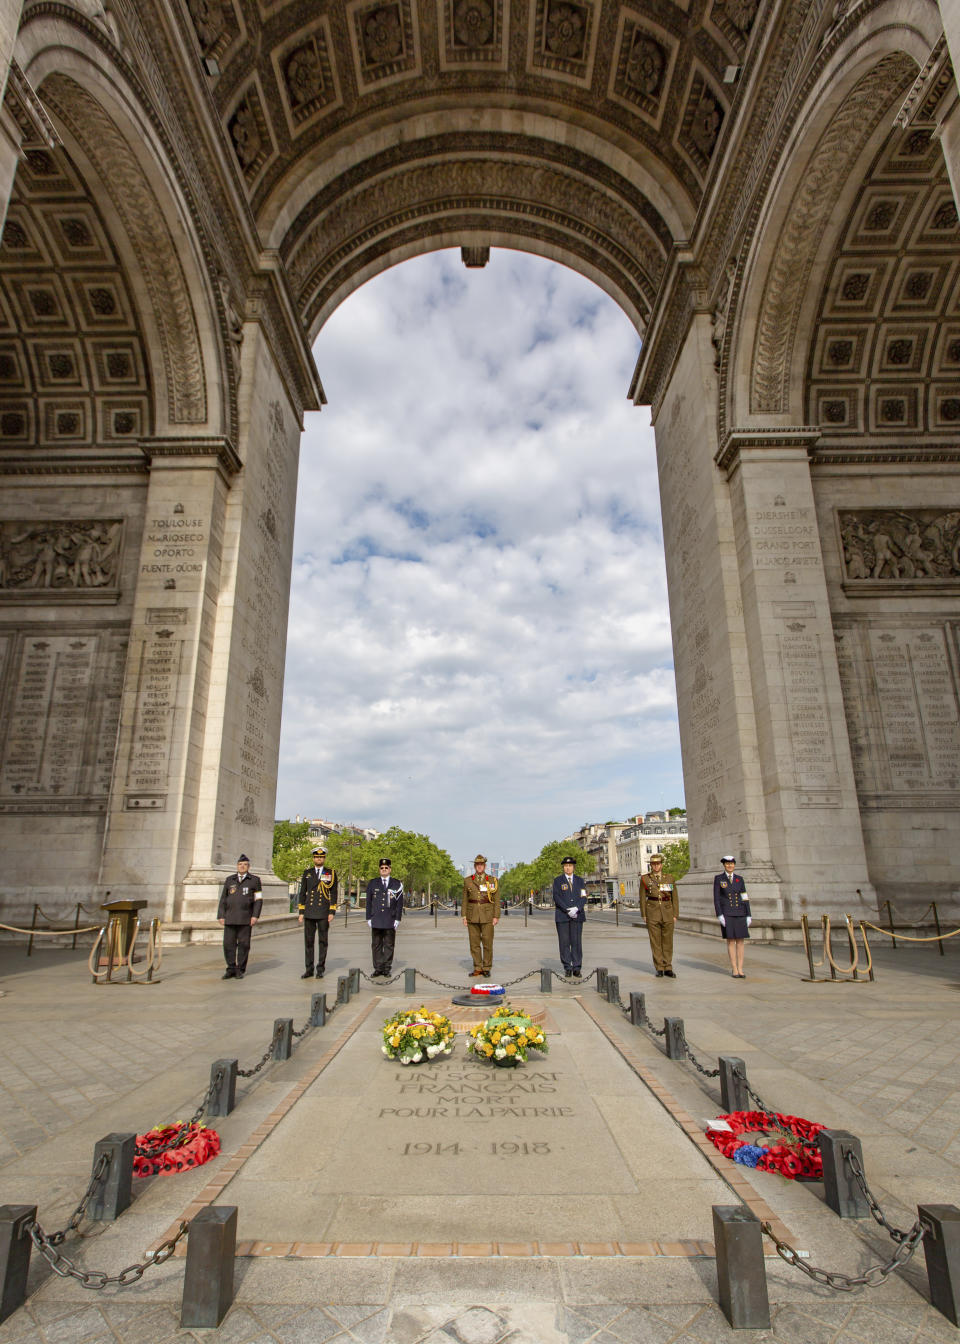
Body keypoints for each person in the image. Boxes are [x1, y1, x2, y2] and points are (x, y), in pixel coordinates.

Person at [217, 853, 262, 979]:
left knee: (244, 945)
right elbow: (223, 899)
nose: (242, 867)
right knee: (228, 944)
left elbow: (258, 899)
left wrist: (255, 916)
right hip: (230, 917)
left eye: (245, 865)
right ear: (237, 866)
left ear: (249, 867)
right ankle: (230, 968)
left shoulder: (254, 880)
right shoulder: (229, 880)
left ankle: (240, 969)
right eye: (240, 864)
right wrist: (221, 915)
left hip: (245, 918)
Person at [298, 846, 338, 979]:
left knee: (323, 941)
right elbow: (302, 892)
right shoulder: (307, 873)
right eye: (316, 857)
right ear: (313, 858)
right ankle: (308, 969)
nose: (319, 859)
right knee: (308, 942)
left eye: (321, 857)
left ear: (324, 858)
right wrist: (301, 911)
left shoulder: (330, 873)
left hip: (323, 912)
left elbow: (333, 892)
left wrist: (332, 910)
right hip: (309, 911)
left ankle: (320, 968)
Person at [639, 853, 678, 977]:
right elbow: (642, 897)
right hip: (652, 912)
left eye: (658, 864)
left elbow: (674, 897)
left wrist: (675, 913)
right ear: (651, 865)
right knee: (655, 941)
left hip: (667, 911)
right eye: (654, 864)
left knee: (668, 941)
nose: (656, 866)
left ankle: (668, 966)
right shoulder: (645, 879)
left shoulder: (669, 878)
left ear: (661, 864)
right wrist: (644, 914)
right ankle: (659, 967)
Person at [365, 857, 404, 978]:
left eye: (386, 868)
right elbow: (368, 902)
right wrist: (368, 917)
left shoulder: (397, 884)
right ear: (379, 869)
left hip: (389, 919)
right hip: (376, 918)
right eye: (382, 868)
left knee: (389, 944)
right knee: (376, 945)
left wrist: (397, 918)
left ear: (390, 869)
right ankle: (378, 968)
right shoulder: (373, 883)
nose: (384, 869)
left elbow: (399, 903)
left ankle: (386, 968)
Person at [462, 853, 499, 977]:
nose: (479, 867)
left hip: (487, 915)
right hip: (472, 915)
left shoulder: (492, 880)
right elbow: (464, 900)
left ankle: (487, 967)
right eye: (477, 864)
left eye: (481, 864)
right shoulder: (467, 880)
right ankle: (477, 967)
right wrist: (464, 916)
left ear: (485, 866)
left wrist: (496, 916)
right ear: (474, 866)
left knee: (488, 943)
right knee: (474, 943)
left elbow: (496, 900)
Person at [714, 855, 751, 978]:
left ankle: (741, 968)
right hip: (727, 913)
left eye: (732, 863)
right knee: (731, 941)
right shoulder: (719, 879)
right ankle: (734, 968)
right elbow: (717, 898)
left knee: (740, 941)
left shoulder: (739, 879)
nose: (730, 866)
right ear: (724, 865)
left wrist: (748, 914)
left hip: (740, 912)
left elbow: (745, 897)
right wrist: (719, 914)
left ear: (734, 865)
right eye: (727, 864)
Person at [552, 855, 586, 977]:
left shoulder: (580, 880)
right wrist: (567, 909)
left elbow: (583, 897)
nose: (568, 868)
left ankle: (577, 967)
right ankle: (567, 966)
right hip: (563, 916)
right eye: (566, 866)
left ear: (573, 867)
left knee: (576, 942)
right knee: (564, 942)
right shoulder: (558, 881)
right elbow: (556, 897)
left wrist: (577, 908)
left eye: (570, 866)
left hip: (577, 915)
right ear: (563, 867)